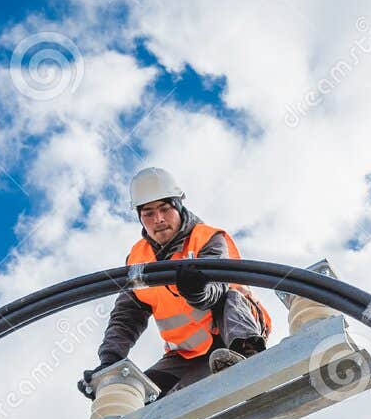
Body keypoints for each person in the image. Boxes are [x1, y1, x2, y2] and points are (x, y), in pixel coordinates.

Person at [81, 167, 271, 399]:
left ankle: (248, 356)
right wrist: (110, 363)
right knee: (140, 397)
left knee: (230, 297)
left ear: (178, 206)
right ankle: (138, 418)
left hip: (237, 331)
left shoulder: (207, 238)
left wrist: (197, 289)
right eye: (148, 212)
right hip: (188, 354)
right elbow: (126, 317)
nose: (158, 219)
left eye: (164, 209)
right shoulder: (138, 261)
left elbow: (217, 287)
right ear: (139, 217)